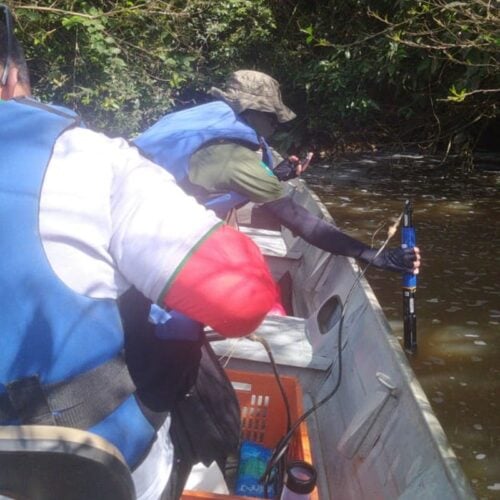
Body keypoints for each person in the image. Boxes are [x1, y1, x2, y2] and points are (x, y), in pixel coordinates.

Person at [0, 8, 278, 500]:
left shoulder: (190, 130)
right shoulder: (83, 155)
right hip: (80, 473)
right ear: (12, 76)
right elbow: (243, 301)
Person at [135, 70, 421, 276]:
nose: (276, 124)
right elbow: (301, 222)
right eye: (272, 116)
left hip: (131, 198)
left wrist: (275, 175)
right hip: (147, 230)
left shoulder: (207, 114)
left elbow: (210, 172)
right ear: (250, 110)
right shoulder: (236, 158)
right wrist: (373, 255)